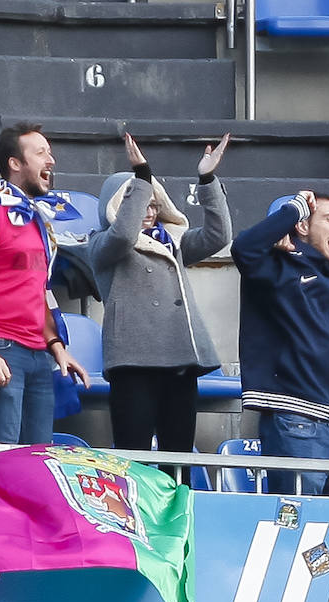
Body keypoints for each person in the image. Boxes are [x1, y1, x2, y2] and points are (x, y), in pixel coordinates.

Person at [88, 133, 232, 453]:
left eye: (154, 203)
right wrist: (141, 176)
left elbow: (218, 234)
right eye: (140, 202)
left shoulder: (174, 241)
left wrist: (207, 179)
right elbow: (123, 235)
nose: (149, 210)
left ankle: (177, 506)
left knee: (179, 459)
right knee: (133, 455)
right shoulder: (100, 243)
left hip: (179, 363)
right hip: (134, 366)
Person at [0, 123, 89, 445]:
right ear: (15, 164)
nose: (50, 160)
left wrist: (56, 347)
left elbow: (35, 292)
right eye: (40, 153)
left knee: (37, 457)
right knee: (2, 454)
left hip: (37, 354)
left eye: (49, 152)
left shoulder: (36, 221)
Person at [231, 191, 329, 496]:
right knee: (296, 529)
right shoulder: (273, 263)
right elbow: (244, 247)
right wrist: (296, 207)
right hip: (294, 420)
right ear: (302, 227)